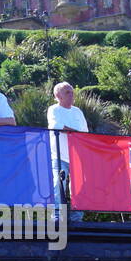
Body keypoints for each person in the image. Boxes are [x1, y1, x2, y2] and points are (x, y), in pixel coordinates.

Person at [46, 81, 87, 223]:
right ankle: (57, 217)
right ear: (58, 96)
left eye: (72, 92)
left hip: (78, 156)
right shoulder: (53, 109)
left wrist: (70, 131)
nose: (72, 95)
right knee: (59, 185)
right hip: (59, 155)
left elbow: (85, 133)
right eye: (67, 92)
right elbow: (56, 126)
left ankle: (77, 219)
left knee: (79, 188)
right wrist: (73, 132)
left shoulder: (78, 111)